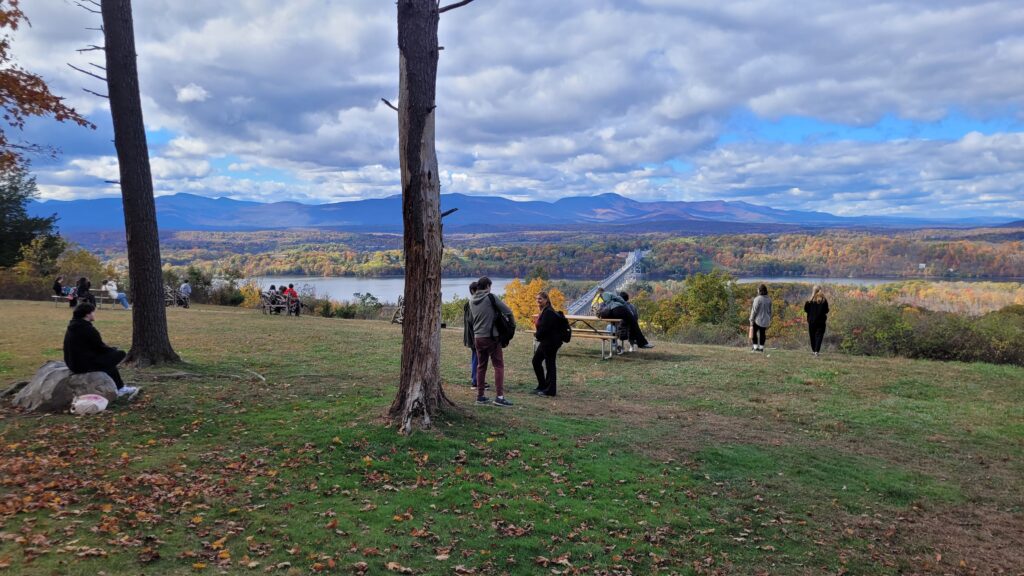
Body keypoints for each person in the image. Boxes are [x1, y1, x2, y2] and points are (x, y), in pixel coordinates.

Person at [63, 303, 139, 400]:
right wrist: (113, 350)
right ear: (87, 314)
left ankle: (119, 387)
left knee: (109, 362)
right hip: (82, 365)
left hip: (72, 362)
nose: (94, 314)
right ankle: (120, 389)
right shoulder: (88, 329)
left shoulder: (73, 326)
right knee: (119, 354)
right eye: (93, 312)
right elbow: (100, 347)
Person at [468, 276, 514, 407]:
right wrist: (512, 326)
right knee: (498, 366)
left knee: (481, 366)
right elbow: (508, 311)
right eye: (490, 286)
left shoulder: (471, 300)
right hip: (491, 337)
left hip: (478, 338)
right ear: (487, 285)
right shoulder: (490, 297)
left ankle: (480, 396)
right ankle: (499, 397)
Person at [532, 291, 563, 397]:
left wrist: (537, 335)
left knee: (550, 365)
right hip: (545, 342)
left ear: (546, 300)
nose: (538, 301)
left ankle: (550, 390)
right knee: (536, 361)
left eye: (540, 299)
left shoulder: (548, 312)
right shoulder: (544, 310)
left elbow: (544, 328)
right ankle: (542, 385)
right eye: (537, 299)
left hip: (550, 342)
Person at [463, 281, 483, 388]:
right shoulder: (472, 304)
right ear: (474, 291)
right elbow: (472, 321)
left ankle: (475, 378)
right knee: (477, 358)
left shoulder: (469, 303)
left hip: (471, 336)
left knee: (476, 357)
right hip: (474, 336)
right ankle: (476, 381)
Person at [804, 285, 830, 357]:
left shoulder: (810, 301)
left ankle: (814, 350)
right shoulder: (824, 300)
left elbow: (806, 310)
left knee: (812, 336)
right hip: (821, 322)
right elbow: (826, 310)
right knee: (819, 336)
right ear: (820, 290)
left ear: (813, 291)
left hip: (812, 321)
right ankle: (816, 351)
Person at [749, 284, 772, 353]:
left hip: (757, 320)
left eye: (758, 290)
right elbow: (771, 311)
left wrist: (751, 319)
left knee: (754, 333)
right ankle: (761, 348)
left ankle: (755, 347)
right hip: (766, 320)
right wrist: (769, 318)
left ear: (760, 291)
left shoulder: (757, 299)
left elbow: (754, 310)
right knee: (762, 333)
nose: (757, 291)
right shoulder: (769, 299)